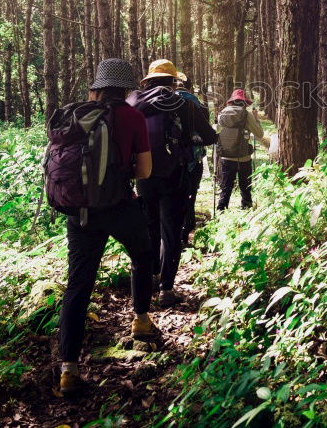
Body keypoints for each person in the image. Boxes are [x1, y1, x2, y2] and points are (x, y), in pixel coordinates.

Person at [56, 58, 157, 396]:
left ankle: (68, 369)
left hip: (79, 212)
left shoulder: (75, 114)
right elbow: (144, 172)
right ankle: (141, 319)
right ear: (127, 87)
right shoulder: (132, 116)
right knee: (143, 255)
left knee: (78, 286)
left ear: (97, 87)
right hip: (118, 206)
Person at [129, 59, 217, 308]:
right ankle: (166, 289)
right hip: (175, 176)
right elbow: (209, 136)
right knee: (171, 232)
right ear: (172, 81)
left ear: (148, 80)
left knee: (150, 228)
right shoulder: (182, 103)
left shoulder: (137, 105)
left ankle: (151, 276)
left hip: (143, 177)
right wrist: (190, 140)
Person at [216, 88, 264, 212]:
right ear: (243, 103)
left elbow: (216, 133)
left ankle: (221, 212)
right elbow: (260, 134)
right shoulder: (246, 114)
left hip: (225, 157)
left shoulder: (221, 113)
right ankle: (246, 212)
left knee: (225, 188)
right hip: (243, 158)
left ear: (231, 102)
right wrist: (256, 119)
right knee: (245, 188)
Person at [175, 72, 208, 245]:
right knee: (190, 195)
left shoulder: (163, 102)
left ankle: (167, 240)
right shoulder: (197, 104)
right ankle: (185, 234)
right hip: (194, 159)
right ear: (189, 87)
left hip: (171, 159)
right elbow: (207, 135)